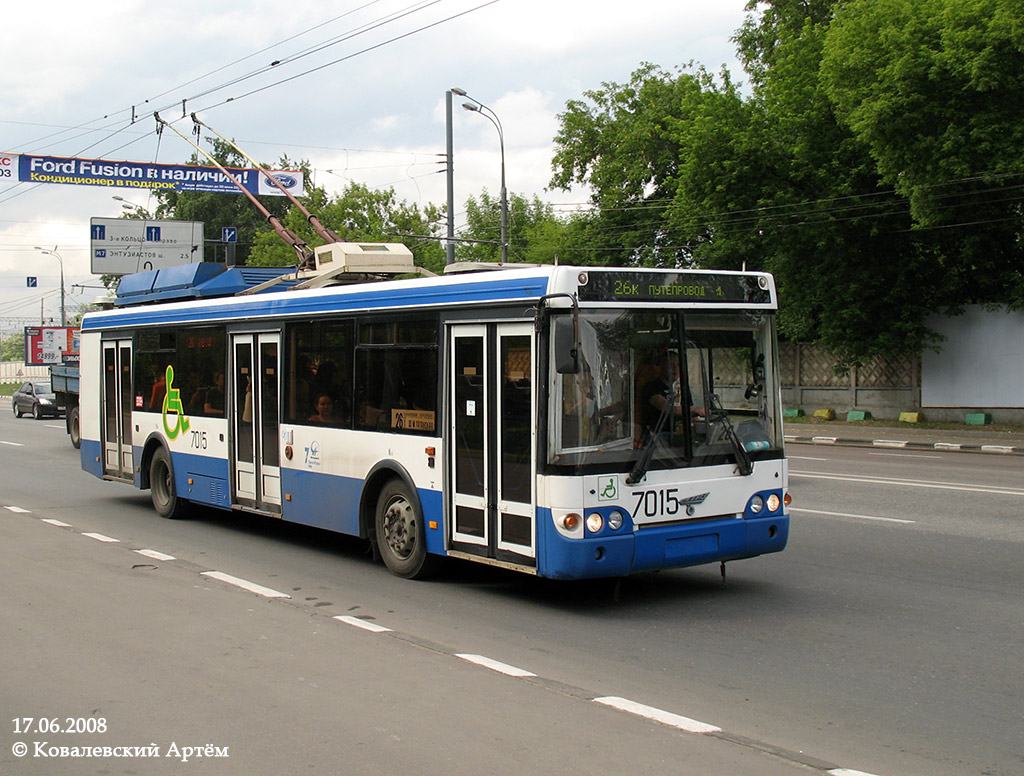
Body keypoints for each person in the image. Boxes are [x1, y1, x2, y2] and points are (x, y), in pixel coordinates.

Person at [635, 350, 705, 448]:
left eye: (678, 365)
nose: (675, 369)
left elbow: (690, 413)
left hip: (679, 439)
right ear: (662, 366)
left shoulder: (683, 388)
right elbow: (669, 408)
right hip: (656, 441)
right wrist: (695, 409)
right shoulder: (652, 387)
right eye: (671, 365)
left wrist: (702, 423)